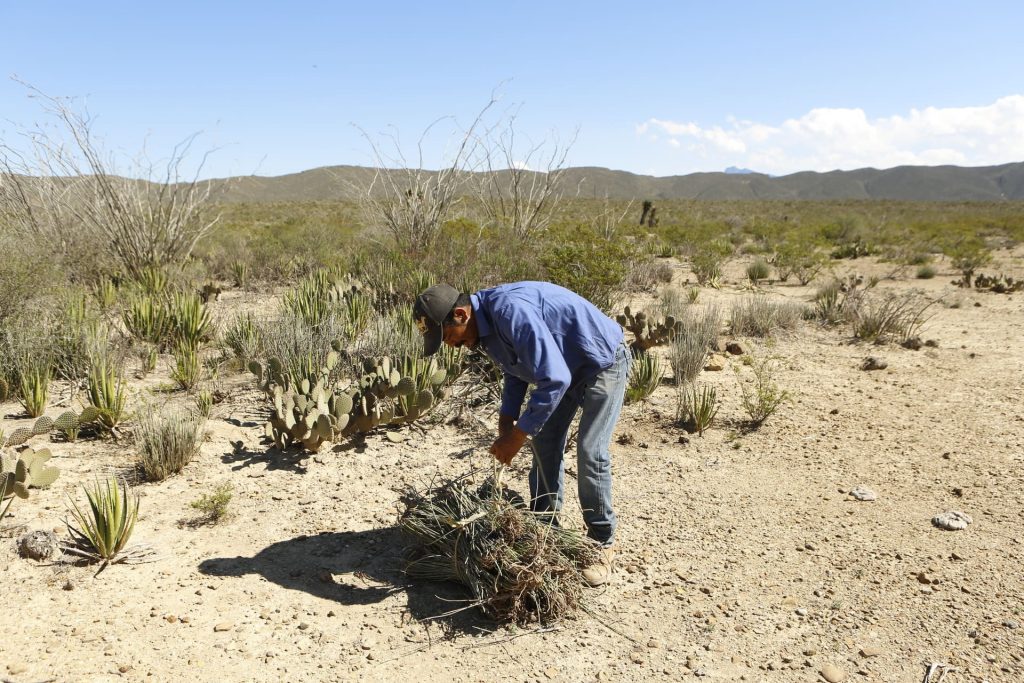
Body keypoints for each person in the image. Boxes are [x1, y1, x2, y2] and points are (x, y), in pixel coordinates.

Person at [413, 281, 631, 586]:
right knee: (544, 443)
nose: (450, 345)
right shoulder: (483, 327)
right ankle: (546, 530)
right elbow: (516, 367)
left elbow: (554, 379)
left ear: (461, 315)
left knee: (590, 450)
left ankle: (601, 543)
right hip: (565, 368)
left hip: (601, 361)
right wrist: (508, 418)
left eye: (448, 337)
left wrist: (517, 437)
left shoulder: (509, 312)